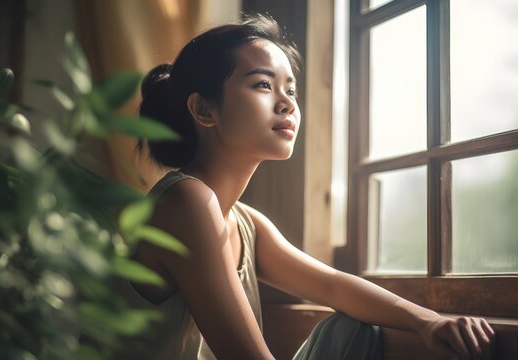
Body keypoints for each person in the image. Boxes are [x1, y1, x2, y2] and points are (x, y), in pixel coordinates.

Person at [131, 13, 495, 360]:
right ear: (205, 110)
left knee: (353, 329)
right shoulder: (186, 201)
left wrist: (428, 321)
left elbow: (333, 286)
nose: (287, 103)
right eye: (262, 85)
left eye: (291, 90)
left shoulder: (245, 222)